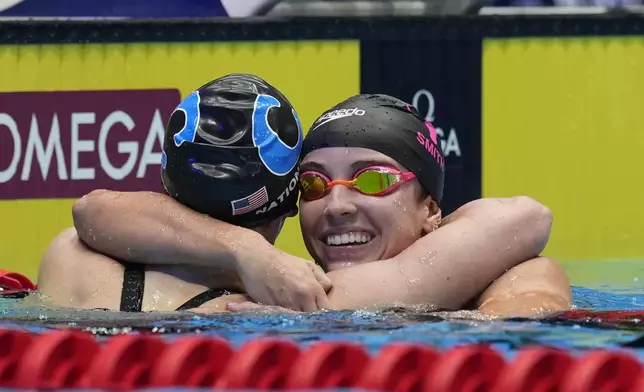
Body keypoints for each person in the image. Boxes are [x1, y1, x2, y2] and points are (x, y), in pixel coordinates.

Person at [39, 79, 569, 316]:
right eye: (313, 185)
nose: (337, 206)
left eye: (373, 180)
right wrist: (248, 253)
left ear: (432, 209)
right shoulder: (287, 287)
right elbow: (95, 211)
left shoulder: (503, 275)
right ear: (287, 205)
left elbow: (526, 219)